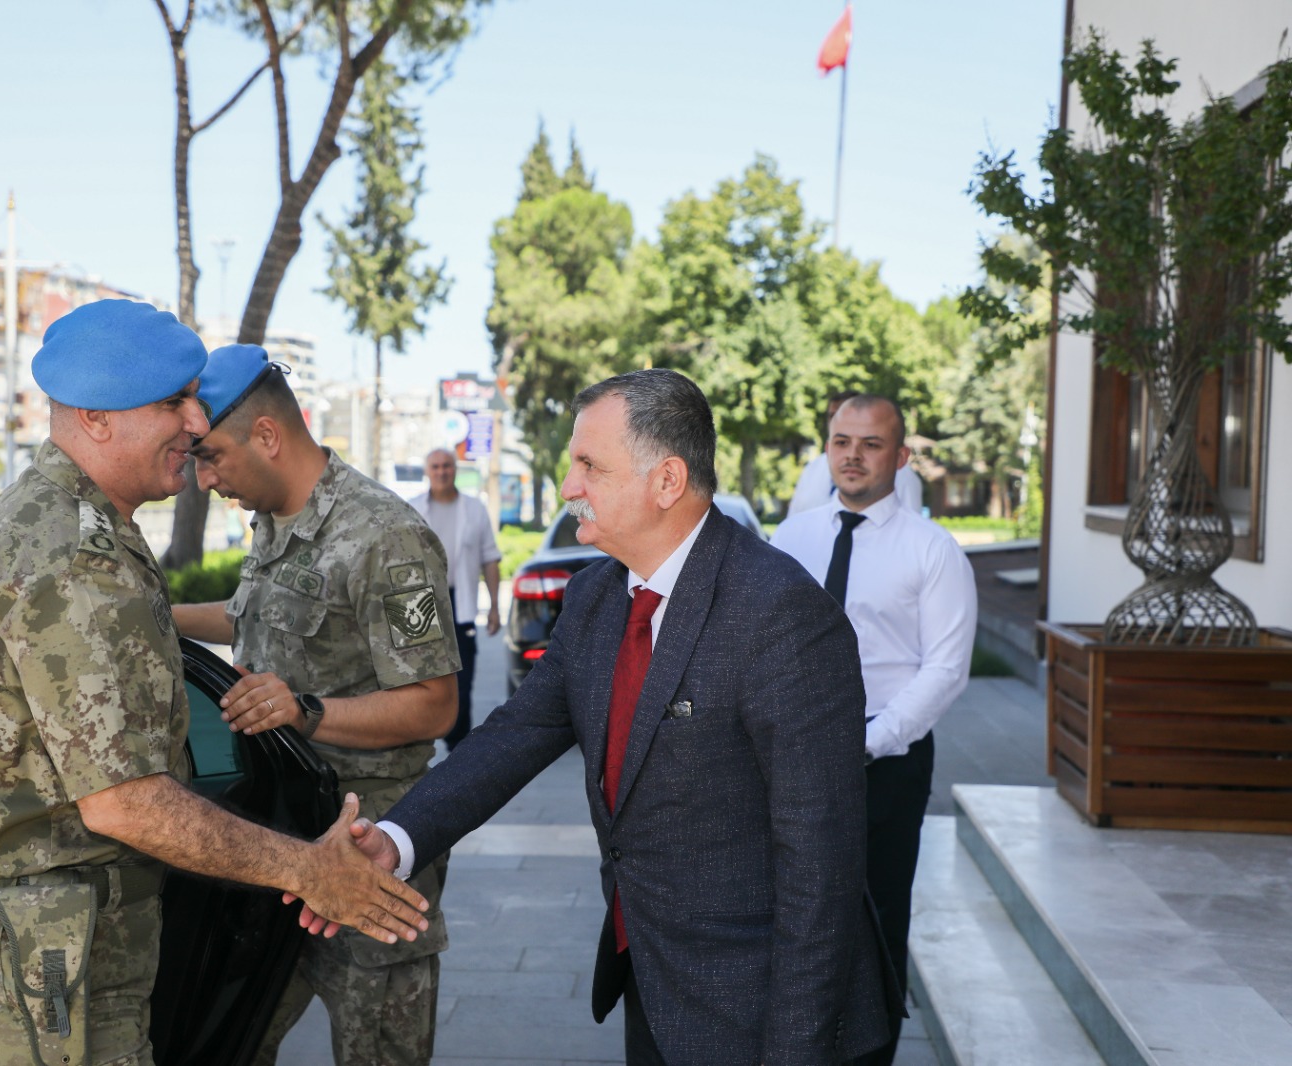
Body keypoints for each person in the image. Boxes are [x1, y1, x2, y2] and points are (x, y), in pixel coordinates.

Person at [0, 301, 430, 1066]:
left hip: (51, 956)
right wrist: (307, 869)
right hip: (33, 978)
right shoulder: (72, 557)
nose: (196, 420)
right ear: (95, 420)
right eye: (170, 402)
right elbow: (125, 800)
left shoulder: (77, 527)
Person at [327, 369, 896, 1064]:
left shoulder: (779, 614)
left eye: (589, 465)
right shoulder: (597, 597)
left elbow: (820, 864)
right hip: (652, 982)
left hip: (767, 1010)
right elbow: (515, 733)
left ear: (667, 481)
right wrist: (396, 837)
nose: (569, 488)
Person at [172, 344, 460, 1066]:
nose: (204, 480)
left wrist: (305, 710)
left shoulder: (386, 537)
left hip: (372, 848)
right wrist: (155, 613)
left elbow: (435, 706)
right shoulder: (272, 518)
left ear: (267, 436)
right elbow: (248, 616)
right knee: (235, 1038)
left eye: (209, 457)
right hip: (278, 837)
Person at [770, 394, 978, 1066]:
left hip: (884, 762)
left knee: (879, 917)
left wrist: (871, 740)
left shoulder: (932, 551)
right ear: (826, 448)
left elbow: (945, 669)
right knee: (792, 914)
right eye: (841, 441)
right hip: (792, 757)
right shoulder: (791, 538)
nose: (853, 455)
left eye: (871, 443)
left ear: (901, 456)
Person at [408, 447, 502, 749]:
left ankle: (457, 747)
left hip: (460, 606)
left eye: (447, 466)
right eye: (435, 466)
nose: (441, 471)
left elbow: (490, 559)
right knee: (419, 678)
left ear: (455, 469)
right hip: (422, 606)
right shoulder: (411, 508)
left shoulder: (474, 509)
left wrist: (495, 608)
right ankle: (420, 742)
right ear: (427, 471)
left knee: (462, 682)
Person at [790, 390, 923, 516]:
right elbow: (794, 515)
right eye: (832, 415)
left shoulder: (901, 474)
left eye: (870, 445)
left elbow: (910, 521)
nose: (852, 455)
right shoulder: (813, 468)